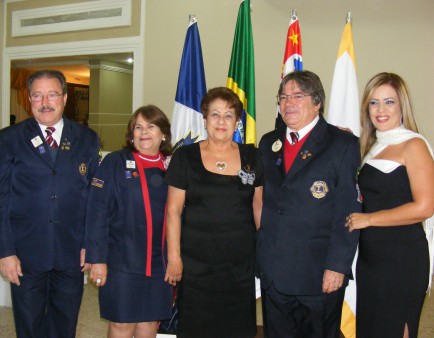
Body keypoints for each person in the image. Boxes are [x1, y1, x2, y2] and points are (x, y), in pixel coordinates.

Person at [0, 70, 100, 337]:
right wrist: (4, 252)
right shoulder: (9, 138)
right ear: (29, 99)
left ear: (64, 97)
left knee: (65, 325)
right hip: (25, 253)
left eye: (52, 94)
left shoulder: (87, 138)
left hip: (71, 251)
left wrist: (91, 244)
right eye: (37, 95)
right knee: (29, 326)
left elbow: (95, 199)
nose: (45, 102)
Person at [256, 70, 361, 338]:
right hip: (275, 272)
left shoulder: (342, 144)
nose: (288, 103)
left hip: (318, 274)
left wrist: (337, 265)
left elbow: (348, 211)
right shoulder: (269, 142)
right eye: (283, 97)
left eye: (298, 96)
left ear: (317, 102)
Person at [164, 87, 263, 338]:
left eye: (229, 115)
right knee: (197, 327)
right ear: (205, 119)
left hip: (239, 265)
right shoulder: (185, 157)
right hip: (196, 265)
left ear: (237, 121)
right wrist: (174, 258)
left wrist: (264, 254)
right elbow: (173, 211)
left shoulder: (253, 157)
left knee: (236, 328)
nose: (221, 121)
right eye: (215, 114)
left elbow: (258, 207)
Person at [346, 72, 434, 338]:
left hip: (402, 259)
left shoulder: (413, 145)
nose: (380, 110)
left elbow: (425, 207)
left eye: (389, 102)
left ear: (402, 105)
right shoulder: (370, 146)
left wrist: (369, 219)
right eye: (373, 103)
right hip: (371, 259)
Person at [85, 105, 173, 338]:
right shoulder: (114, 162)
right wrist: (97, 259)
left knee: (148, 323)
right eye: (138, 127)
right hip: (121, 261)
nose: (143, 132)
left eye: (150, 126)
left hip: (160, 264)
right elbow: (97, 211)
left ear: (163, 133)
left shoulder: (173, 167)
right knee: (122, 324)